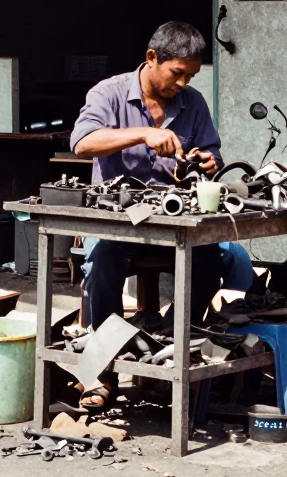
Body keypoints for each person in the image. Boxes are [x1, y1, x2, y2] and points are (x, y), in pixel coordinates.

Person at [70, 21, 229, 406]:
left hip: (172, 223)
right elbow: (82, 143)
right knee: (102, 262)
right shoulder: (108, 93)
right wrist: (143, 133)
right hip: (117, 222)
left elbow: (213, 153)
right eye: (177, 73)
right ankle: (103, 371)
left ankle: (167, 348)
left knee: (211, 259)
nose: (183, 83)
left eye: (191, 76)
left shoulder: (193, 103)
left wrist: (209, 162)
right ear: (152, 57)